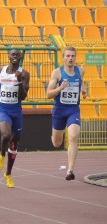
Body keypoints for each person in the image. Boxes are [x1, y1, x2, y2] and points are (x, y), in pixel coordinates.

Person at [0, 49, 30, 188]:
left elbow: (23, 96)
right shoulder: (0, 72)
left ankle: (8, 174)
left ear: (20, 57)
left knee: (15, 144)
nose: (15, 57)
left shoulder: (24, 74)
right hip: (3, 110)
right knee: (6, 135)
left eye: (17, 55)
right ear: (8, 56)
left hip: (16, 111)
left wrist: (19, 81)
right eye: (12, 54)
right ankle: (2, 154)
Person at [47, 46, 87, 181]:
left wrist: (84, 89)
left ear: (75, 58)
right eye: (68, 56)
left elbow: (80, 82)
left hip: (73, 110)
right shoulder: (57, 73)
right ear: (63, 58)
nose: (70, 58)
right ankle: (54, 136)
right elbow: (48, 94)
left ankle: (70, 171)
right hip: (59, 110)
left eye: (73, 56)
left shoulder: (80, 71)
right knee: (57, 143)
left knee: (74, 136)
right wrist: (61, 87)